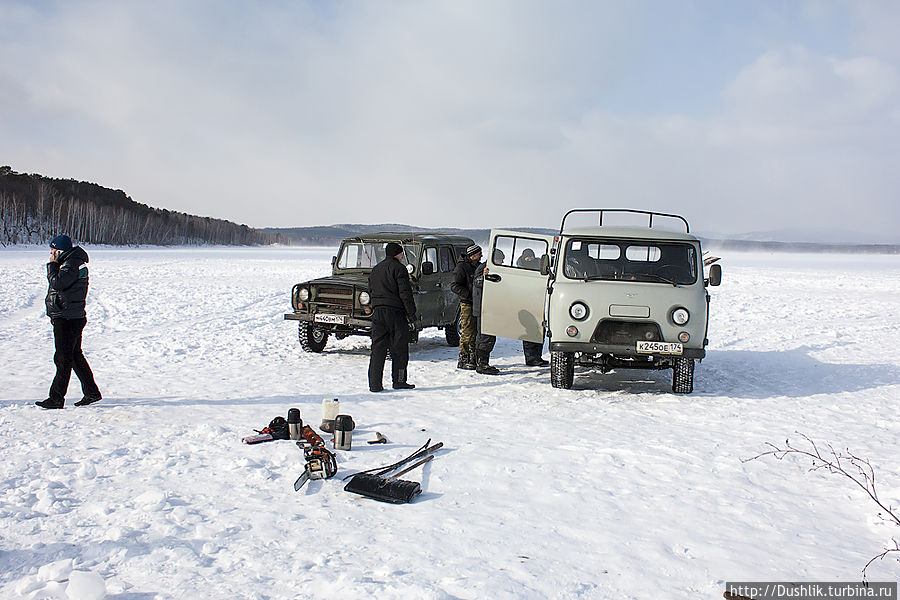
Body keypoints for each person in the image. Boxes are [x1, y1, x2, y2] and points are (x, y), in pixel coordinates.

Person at [37, 235, 102, 409]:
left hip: (67, 318)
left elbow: (58, 283)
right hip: (69, 315)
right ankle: (91, 392)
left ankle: (56, 398)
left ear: (60, 251)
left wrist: (52, 266)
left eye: (53, 250)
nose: (50, 253)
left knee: (63, 358)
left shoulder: (71, 263)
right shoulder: (70, 262)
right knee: (74, 356)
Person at [367, 242, 417, 392]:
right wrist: (411, 313)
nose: (402, 256)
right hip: (395, 313)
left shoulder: (375, 269)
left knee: (378, 349)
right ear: (397, 254)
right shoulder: (399, 269)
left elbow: (370, 289)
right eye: (401, 253)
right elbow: (405, 293)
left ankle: (375, 384)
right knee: (399, 349)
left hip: (378, 313)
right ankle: (399, 381)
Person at [450, 244, 482, 370]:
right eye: (479, 254)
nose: (481, 257)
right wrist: (469, 295)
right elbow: (454, 286)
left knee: (476, 331)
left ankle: (473, 357)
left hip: (477, 303)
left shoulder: (477, 266)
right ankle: (464, 358)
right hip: (467, 303)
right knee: (467, 331)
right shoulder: (461, 267)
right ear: (473, 255)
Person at [516, 249, 549, 367]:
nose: (529, 259)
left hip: (539, 301)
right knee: (530, 330)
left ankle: (537, 356)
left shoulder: (540, 267)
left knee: (540, 329)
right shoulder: (520, 269)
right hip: (526, 302)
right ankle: (530, 358)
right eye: (527, 257)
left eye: (531, 257)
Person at [471, 253, 500, 375]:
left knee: (485, 336)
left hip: (488, 307)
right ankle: (482, 364)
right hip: (484, 308)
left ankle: (479, 362)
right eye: (500, 259)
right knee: (485, 336)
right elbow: (477, 282)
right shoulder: (484, 268)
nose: (501, 262)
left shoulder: (492, 268)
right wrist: (484, 276)